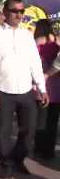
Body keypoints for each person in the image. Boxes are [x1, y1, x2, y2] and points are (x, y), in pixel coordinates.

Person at [0, 0, 48, 179]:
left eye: (21, 11)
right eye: (15, 11)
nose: (19, 14)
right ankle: (7, 164)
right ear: (5, 13)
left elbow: (35, 63)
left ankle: (18, 159)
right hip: (2, 90)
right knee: (2, 131)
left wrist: (42, 88)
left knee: (29, 129)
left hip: (26, 91)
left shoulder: (27, 35)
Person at [33, 19, 60, 161]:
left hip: (40, 86)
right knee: (52, 121)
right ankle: (49, 151)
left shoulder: (36, 42)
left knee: (41, 119)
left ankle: (38, 148)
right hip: (56, 87)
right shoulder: (56, 44)